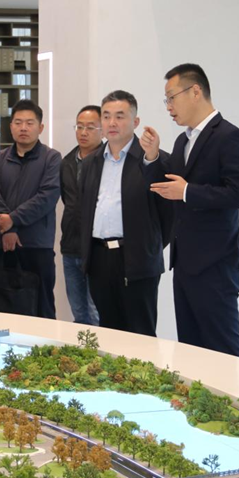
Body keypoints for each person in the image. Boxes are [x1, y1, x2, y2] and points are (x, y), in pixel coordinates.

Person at [140, 63, 239, 358]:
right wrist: (153, 157)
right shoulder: (183, 140)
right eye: (166, 100)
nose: (168, 107)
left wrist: (188, 191)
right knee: (191, 349)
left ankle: (236, 391)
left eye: (171, 98)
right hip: (185, 262)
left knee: (223, 348)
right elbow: (171, 185)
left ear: (195, 91)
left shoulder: (229, 136)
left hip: (216, 263)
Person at [79, 90, 172, 336]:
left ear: (135, 121)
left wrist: (149, 246)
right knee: (108, 332)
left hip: (136, 259)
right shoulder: (90, 163)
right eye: (106, 116)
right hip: (99, 258)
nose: (112, 123)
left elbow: (169, 216)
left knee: (140, 334)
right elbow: (83, 210)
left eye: (120, 116)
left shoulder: (153, 160)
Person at [0, 99, 61, 319]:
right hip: (4, 244)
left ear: (40, 127)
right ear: (10, 126)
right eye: (18, 122)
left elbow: (47, 196)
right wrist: (8, 229)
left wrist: (12, 220)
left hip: (37, 245)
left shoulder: (51, 158)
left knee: (42, 307)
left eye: (30, 123)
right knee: (4, 306)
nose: (23, 128)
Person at [60, 105, 102, 325]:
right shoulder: (66, 162)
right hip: (70, 246)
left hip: (96, 249)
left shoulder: (107, 161)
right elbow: (68, 201)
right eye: (79, 126)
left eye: (90, 127)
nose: (83, 132)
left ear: (103, 130)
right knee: (78, 313)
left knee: (96, 313)